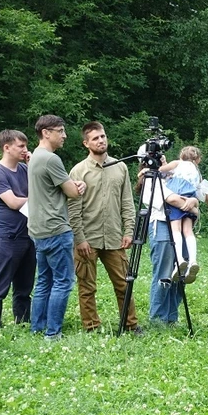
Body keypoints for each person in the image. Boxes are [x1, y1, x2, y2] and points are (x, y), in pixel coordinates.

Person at [67, 121, 140, 334]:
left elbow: (127, 202)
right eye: (95, 138)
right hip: (88, 238)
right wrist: (79, 239)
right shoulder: (79, 171)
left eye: (103, 136)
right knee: (87, 287)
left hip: (115, 237)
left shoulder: (120, 167)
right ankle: (91, 327)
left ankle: (130, 324)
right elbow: (73, 209)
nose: (101, 140)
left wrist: (129, 231)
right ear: (86, 143)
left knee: (124, 284)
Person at [28, 115, 86, 340]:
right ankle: (52, 333)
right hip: (56, 229)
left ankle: (38, 328)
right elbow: (71, 192)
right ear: (46, 133)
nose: (64, 135)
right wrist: (79, 185)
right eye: (59, 131)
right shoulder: (51, 159)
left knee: (44, 280)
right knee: (63, 281)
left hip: (38, 229)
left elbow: (57, 188)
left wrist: (71, 186)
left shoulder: (35, 157)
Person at [136, 150, 201, 325]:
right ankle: (158, 317)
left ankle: (171, 316)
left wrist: (193, 202)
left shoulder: (172, 176)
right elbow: (172, 199)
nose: (162, 158)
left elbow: (192, 194)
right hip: (163, 226)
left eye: (162, 155)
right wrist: (194, 206)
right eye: (157, 157)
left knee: (180, 272)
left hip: (180, 224)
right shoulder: (150, 180)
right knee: (164, 273)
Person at [0, 129, 36, 330]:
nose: (25, 150)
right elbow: (13, 202)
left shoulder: (24, 169)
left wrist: (32, 167)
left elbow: (39, 188)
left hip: (28, 235)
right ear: (7, 147)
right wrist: (39, 201)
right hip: (6, 237)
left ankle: (22, 324)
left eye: (26, 145)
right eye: (21, 146)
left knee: (24, 288)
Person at [159, 146, 208, 283]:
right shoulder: (197, 172)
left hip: (178, 198)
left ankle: (179, 259)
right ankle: (192, 260)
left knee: (176, 230)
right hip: (190, 200)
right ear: (197, 159)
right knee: (188, 231)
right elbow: (202, 193)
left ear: (181, 156)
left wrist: (163, 165)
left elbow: (162, 171)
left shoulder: (178, 163)